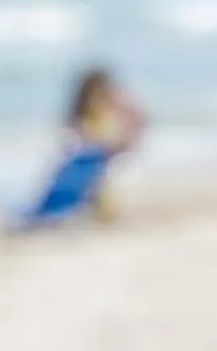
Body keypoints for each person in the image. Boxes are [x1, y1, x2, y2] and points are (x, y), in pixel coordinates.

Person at [16, 65, 146, 229]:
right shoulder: (87, 115)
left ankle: (84, 210)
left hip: (95, 163)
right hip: (84, 164)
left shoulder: (110, 111)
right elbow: (72, 141)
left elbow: (126, 135)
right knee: (77, 183)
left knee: (92, 185)